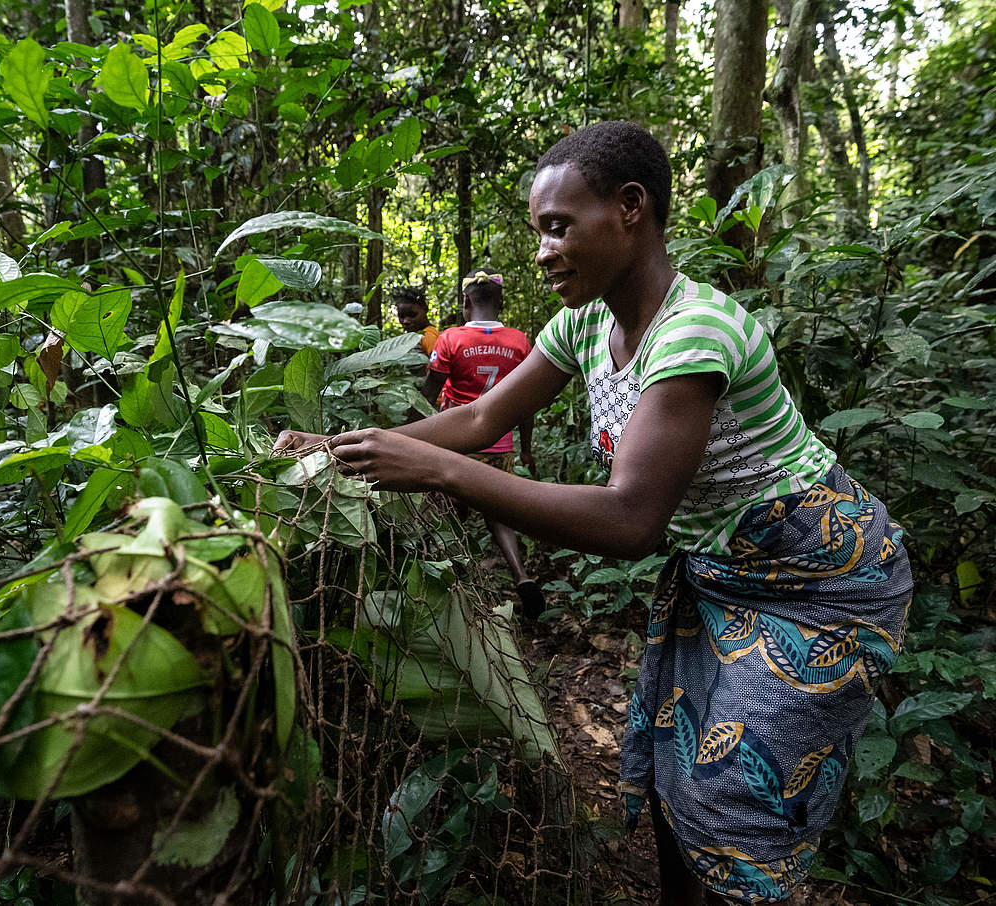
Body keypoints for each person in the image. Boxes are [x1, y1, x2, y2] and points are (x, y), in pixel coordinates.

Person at [275, 121, 913, 904]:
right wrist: (341, 447)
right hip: (720, 569)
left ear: (630, 209)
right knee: (677, 772)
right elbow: (480, 422)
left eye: (558, 227)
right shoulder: (583, 323)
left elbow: (629, 522)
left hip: (816, 580)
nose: (543, 252)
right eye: (539, 232)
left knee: (736, 802)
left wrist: (440, 472)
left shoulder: (694, 331)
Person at [419, 268, 544, 619]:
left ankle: (459, 587)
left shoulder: (450, 339)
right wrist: (526, 448)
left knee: (450, 515)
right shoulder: (520, 341)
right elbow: (525, 402)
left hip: (456, 442)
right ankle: (521, 575)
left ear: (464, 303)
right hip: (500, 444)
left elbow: (429, 394)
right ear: (501, 302)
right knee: (499, 513)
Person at [391, 285, 439, 356]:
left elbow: (437, 363)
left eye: (412, 315)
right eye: (401, 316)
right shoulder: (414, 335)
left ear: (425, 309)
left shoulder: (428, 335)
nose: (405, 321)